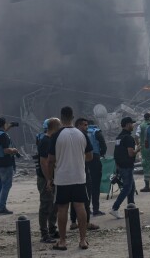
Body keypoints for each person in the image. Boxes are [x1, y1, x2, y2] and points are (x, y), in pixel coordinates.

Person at [48, 107, 94, 250]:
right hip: (79, 177)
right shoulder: (82, 134)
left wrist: (49, 179)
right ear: (73, 117)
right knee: (80, 207)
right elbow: (90, 156)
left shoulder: (56, 135)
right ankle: (82, 240)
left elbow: (50, 160)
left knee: (62, 209)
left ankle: (62, 241)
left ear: (61, 118)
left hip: (62, 178)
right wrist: (79, 159)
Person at [69, 118, 100, 231]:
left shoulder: (67, 136)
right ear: (78, 125)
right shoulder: (83, 136)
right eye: (85, 125)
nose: (87, 127)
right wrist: (82, 161)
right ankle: (86, 223)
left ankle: (73, 222)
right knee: (85, 197)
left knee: (73, 197)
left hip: (70, 172)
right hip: (82, 172)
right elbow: (90, 156)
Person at [109, 117, 141, 219]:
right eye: (132, 124)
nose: (133, 126)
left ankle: (131, 207)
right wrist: (138, 149)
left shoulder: (119, 137)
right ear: (127, 125)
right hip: (127, 166)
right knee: (127, 187)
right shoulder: (128, 138)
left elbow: (117, 153)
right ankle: (114, 208)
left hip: (120, 166)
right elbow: (131, 154)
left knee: (131, 186)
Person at [0, 117, 19, 215]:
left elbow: (1, 134)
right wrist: (14, 150)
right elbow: (5, 150)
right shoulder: (3, 136)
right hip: (5, 164)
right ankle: (1, 208)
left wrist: (10, 125)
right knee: (6, 185)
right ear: (3, 125)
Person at [36, 117, 60, 243]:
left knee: (54, 205)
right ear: (55, 127)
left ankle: (52, 229)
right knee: (46, 205)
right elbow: (44, 162)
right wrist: (48, 179)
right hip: (45, 178)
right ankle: (44, 233)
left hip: (52, 177)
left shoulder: (51, 140)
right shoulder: (45, 141)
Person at [87, 119, 108, 216]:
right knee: (95, 185)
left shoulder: (81, 132)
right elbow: (103, 146)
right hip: (95, 158)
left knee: (86, 185)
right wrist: (102, 154)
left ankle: (86, 209)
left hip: (83, 159)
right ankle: (96, 209)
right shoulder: (96, 132)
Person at [135, 113, 150, 192]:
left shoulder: (141, 126)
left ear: (144, 118)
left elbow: (136, 136)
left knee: (146, 166)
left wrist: (139, 145)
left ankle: (147, 186)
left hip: (144, 148)